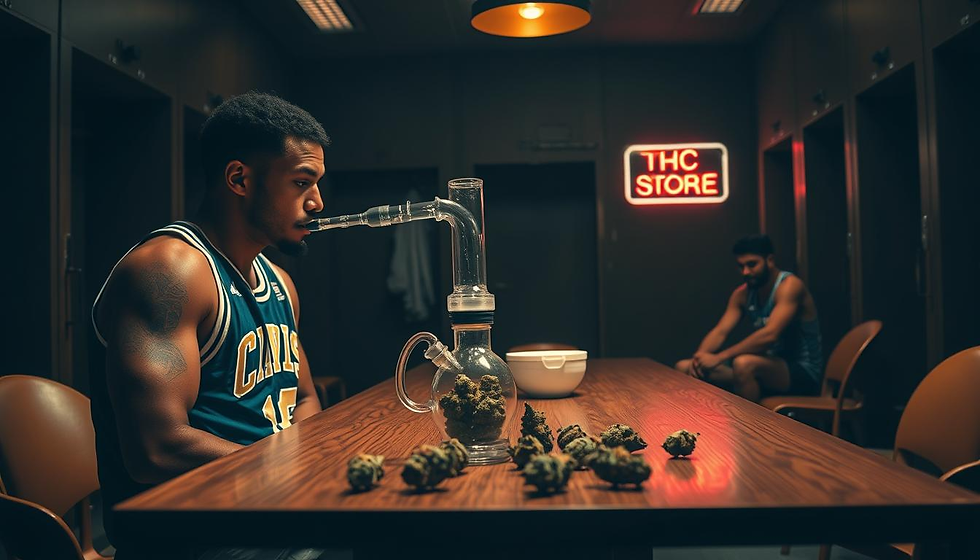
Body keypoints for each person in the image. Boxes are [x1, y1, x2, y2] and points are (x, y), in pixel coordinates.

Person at [91, 92, 330, 559]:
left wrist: (304, 476)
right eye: (302, 183)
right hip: (196, 542)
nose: (318, 202)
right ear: (239, 179)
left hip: (274, 516)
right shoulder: (169, 271)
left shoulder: (279, 282)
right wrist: (295, 471)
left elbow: (303, 398)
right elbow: (157, 448)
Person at [674, 234, 823, 402]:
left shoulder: (789, 286)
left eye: (752, 264)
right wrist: (699, 358)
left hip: (802, 371)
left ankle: (748, 421)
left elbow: (770, 335)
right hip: (766, 364)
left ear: (770, 260)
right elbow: (720, 331)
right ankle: (696, 419)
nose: (745, 272)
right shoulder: (742, 294)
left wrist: (719, 357)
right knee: (684, 367)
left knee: (744, 364)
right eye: (741, 266)